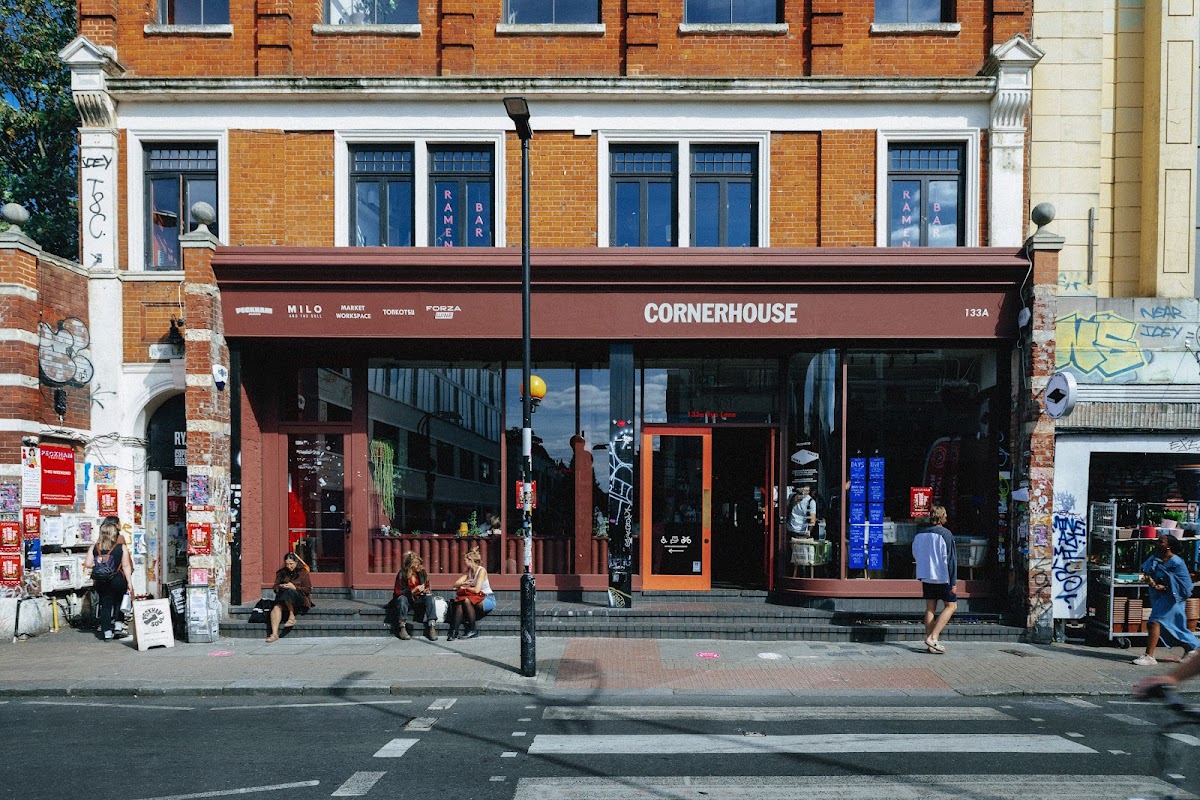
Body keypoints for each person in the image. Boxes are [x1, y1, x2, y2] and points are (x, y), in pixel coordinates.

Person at [1132, 535, 1198, 666]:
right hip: (1159, 597)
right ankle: (1191, 648)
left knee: (1153, 622)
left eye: (1160, 541)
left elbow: (1186, 585)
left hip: (1173, 599)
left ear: (1169, 546)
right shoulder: (1155, 558)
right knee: (1171, 627)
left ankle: (1149, 656)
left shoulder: (1177, 562)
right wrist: (1149, 579)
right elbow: (1147, 570)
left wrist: (1166, 587)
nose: (1157, 543)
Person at [911, 505, 957, 654]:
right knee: (951, 606)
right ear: (943, 517)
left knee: (930, 608)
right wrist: (953, 581)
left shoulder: (920, 534)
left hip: (926, 575)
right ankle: (933, 637)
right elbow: (950, 559)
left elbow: (915, 553)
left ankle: (931, 644)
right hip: (942, 576)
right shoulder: (946, 534)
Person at [84, 520, 133, 641]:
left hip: (102, 581)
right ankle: (118, 626)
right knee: (118, 603)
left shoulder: (94, 547)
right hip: (118, 579)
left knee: (105, 605)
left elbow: (88, 564)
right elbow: (126, 566)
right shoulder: (121, 548)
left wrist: (100, 564)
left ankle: (106, 633)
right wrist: (130, 583)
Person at [447, 545, 495, 641]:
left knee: (466, 600)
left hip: (487, 598)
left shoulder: (481, 571)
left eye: (465, 560)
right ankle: (454, 631)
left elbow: (477, 590)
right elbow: (455, 585)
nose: (464, 562)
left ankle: (473, 630)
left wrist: (464, 587)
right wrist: (463, 583)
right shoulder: (468, 572)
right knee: (461, 601)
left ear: (470, 561)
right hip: (475, 598)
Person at [266, 552, 313, 643]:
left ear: (296, 563)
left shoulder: (303, 573)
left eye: (291, 564)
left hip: (299, 598)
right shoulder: (281, 573)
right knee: (276, 607)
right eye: (287, 564)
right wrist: (280, 587)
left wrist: (295, 587)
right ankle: (274, 634)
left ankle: (291, 616)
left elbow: (308, 589)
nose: (289, 566)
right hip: (284, 598)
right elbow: (275, 587)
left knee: (289, 591)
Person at [393, 551, 437, 641]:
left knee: (430, 597)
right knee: (402, 599)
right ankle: (402, 627)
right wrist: (412, 591)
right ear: (410, 566)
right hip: (407, 600)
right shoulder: (402, 574)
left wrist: (425, 590)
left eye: (419, 564)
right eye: (416, 565)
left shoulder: (422, 572)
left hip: (419, 599)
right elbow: (398, 591)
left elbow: (427, 584)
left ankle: (432, 626)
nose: (418, 567)